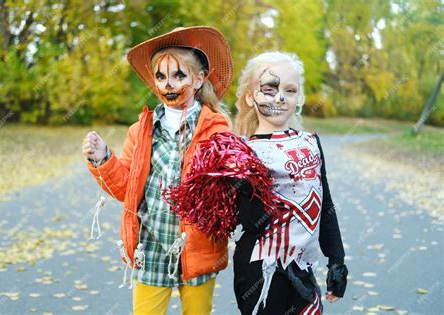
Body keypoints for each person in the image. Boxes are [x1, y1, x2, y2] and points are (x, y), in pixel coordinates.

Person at [81, 26, 233, 315]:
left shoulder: (217, 129)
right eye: (161, 77)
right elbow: (126, 189)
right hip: (150, 245)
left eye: (179, 75)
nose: (169, 84)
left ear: (199, 79)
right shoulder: (141, 131)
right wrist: (103, 159)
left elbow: (225, 191)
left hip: (198, 245)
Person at [233, 51, 348, 314]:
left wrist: (337, 260)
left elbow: (325, 203)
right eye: (269, 89)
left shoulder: (310, 142)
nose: (280, 98)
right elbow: (252, 222)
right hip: (260, 271)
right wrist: (244, 178)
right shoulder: (243, 151)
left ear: (299, 98)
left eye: (290, 90)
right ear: (251, 97)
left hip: (302, 267)